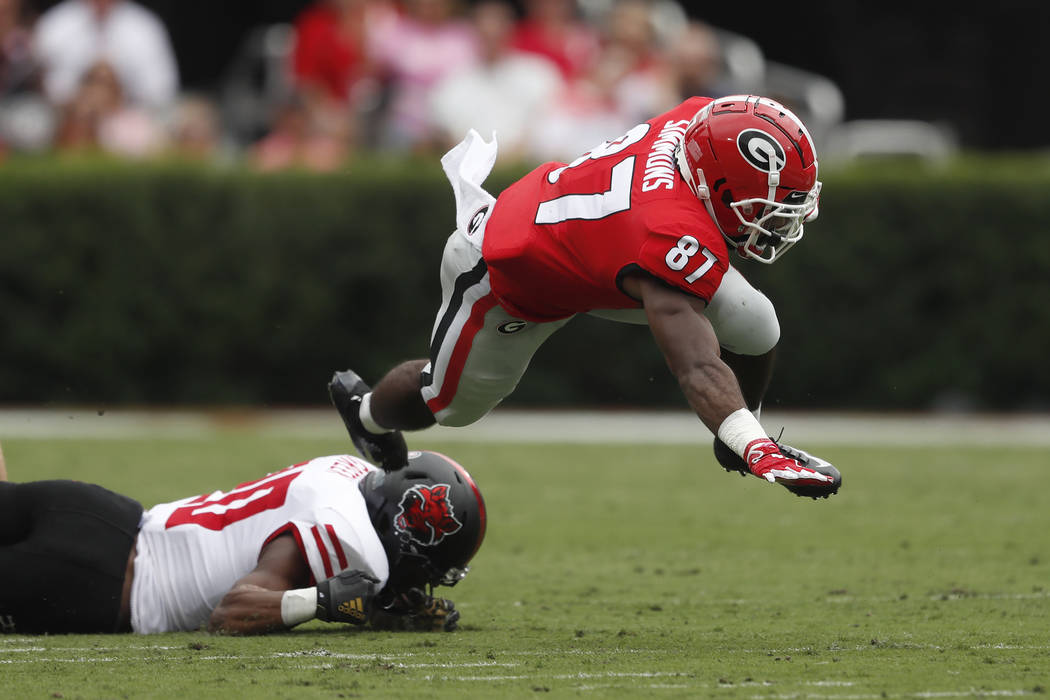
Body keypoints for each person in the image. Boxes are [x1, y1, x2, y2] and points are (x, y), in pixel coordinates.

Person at [329, 94, 842, 499]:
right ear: (712, 186)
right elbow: (696, 366)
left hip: (598, 256)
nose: (775, 222)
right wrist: (760, 452)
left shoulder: (699, 124)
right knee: (450, 404)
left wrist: (741, 439)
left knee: (755, 321)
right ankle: (368, 412)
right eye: (764, 207)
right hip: (507, 274)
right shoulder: (666, 230)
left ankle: (735, 441)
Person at [0, 448, 486, 635]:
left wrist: (380, 609)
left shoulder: (348, 474)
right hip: (105, 587)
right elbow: (231, 612)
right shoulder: (346, 533)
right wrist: (321, 603)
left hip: (101, 515)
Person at [428, 0, 564, 162]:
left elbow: (549, 127)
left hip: (526, 168)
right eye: (485, 28)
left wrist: (513, 157)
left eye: (498, 26)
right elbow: (445, 133)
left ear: (511, 29)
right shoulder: (452, 81)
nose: (491, 34)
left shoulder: (539, 74)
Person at [31, 0, 178, 113]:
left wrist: (116, 99)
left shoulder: (145, 27)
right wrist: (82, 100)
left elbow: (162, 89)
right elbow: (39, 83)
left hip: (130, 113)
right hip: (65, 114)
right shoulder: (56, 23)